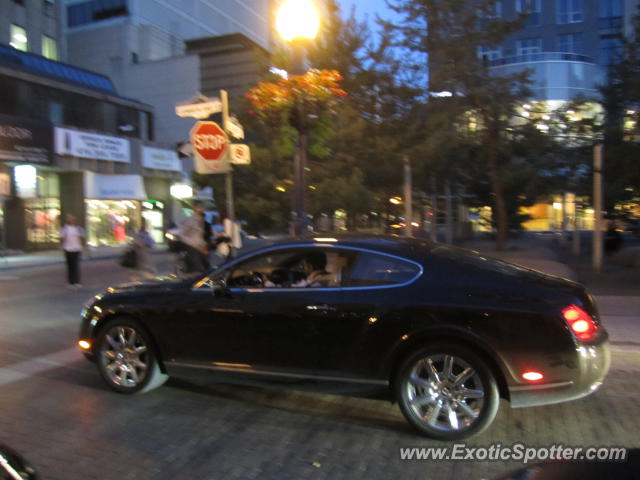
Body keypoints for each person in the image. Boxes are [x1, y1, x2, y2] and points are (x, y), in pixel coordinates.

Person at [178, 200, 210, 274]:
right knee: (195, 269)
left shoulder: (201, 220)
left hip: (201, 248)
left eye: (202, 208)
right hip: (192, 248)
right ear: (194, 208)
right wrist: (193, 244)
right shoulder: (190, 220)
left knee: (205, 268)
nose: (201, 209)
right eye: (199, 207)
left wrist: (204, 245)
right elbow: (182, 234)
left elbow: (199, 236)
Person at [60, 214, 85, 289]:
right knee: (70, 266)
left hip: (76, 249)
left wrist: (83, 246)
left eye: (72, 219)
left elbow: (82, 237)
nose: (71, 220)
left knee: (75, 266)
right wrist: (61, 246)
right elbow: (62, 238)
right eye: (69, 219)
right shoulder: (65, 228)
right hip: (68, 249)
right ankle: (71, 282)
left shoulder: (78, 229)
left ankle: (76, 282)